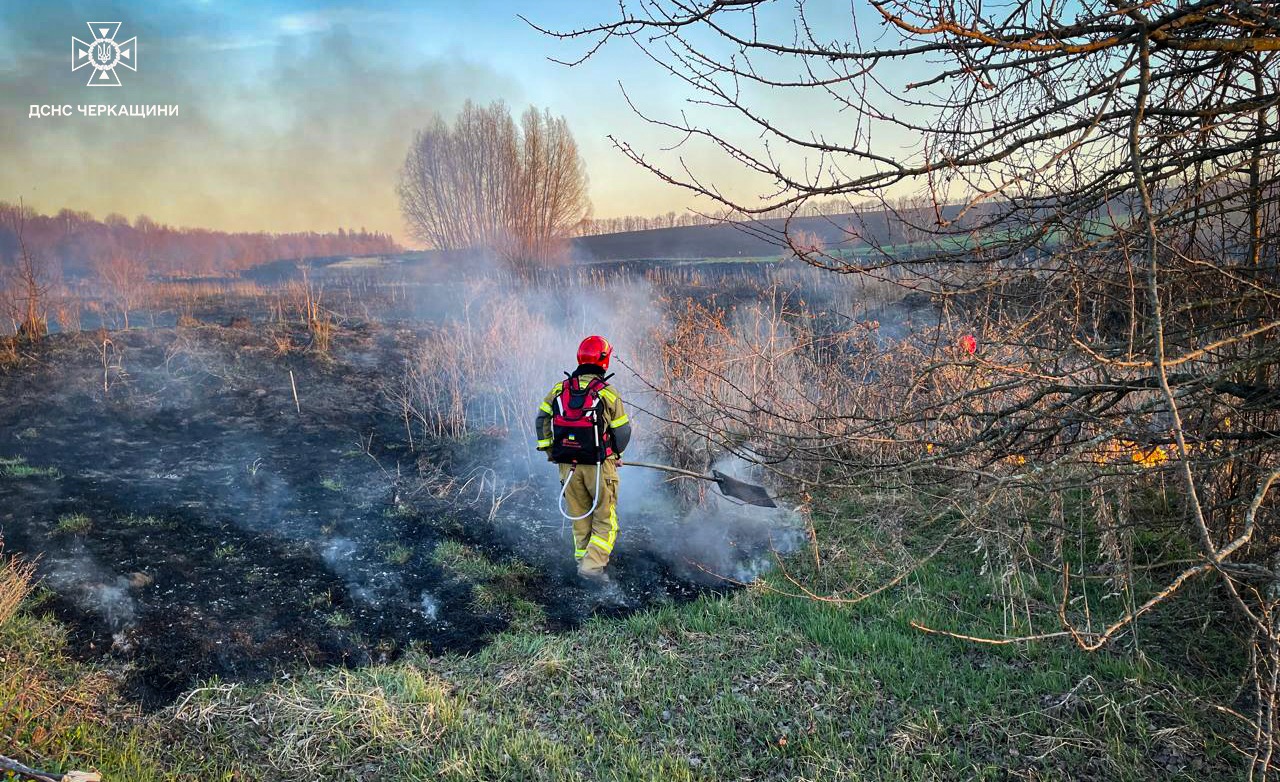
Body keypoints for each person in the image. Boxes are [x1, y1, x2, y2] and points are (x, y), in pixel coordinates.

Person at [535, 335, 632, 585]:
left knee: (579, 517)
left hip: (567, 466)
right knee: (605, 520)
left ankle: (583, 561)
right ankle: (591, 569)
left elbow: (541, 419)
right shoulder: (607, 393)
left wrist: (550, 451)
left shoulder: (559, 390)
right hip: (599, 466)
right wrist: (616, 454)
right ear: (604, 361)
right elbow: (622, 431)